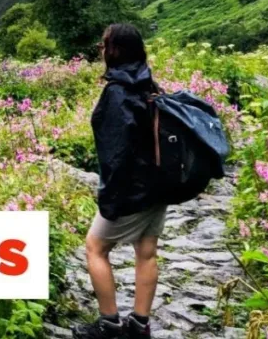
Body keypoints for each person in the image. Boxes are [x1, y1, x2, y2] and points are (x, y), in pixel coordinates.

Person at [73, 23, 164, 339]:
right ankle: (140, 325)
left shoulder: (117, 92)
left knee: (95, 247)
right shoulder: (148, 83)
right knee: (147, 250)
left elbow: (116, 154)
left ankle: (109, 324)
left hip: (132, 190)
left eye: (104, 44)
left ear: (115, 51)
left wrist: (110, 200)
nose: (100, 49)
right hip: (158, 185)